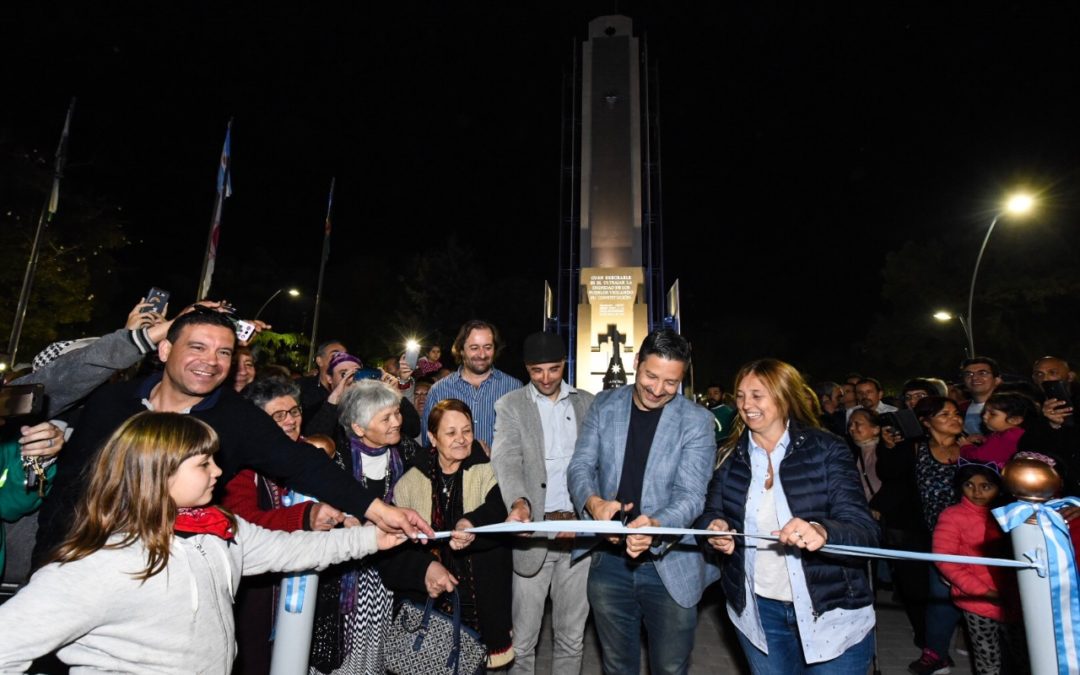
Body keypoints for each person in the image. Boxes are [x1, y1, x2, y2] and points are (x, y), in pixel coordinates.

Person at [0, 412, 404, 672]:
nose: (218, 471)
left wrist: (372, 538)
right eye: (204, 463)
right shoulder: (101, 563)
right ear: (158, 472)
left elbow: (291, 550)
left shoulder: (217, 530)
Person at [34, 308, 431, 565]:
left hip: (172, 578)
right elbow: (68, 481)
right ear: (165, 348)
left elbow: (302, 465)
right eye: (198, 347)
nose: (211, 362)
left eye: (225, 352)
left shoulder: (235, 418)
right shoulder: (111, 401)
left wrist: (379, 510)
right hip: (76, 565)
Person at [699, 358, 879, 674]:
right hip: (758, 611)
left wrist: (822, 530)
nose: (745, 405)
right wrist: (716, 529)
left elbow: (864, 529)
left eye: (757, 395)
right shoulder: (729, 456)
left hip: (830, 609)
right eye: (740, 396)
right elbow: (711, 514)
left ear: (784, 396)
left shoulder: (827, 449)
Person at [567, 328, 716, 675]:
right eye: (651, 376)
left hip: (671, 565)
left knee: (670, 667)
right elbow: (581, 465)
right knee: (617, 666)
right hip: (609, 563)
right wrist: (594, 504)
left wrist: (655, 525)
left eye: (670, 382)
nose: (658, 389)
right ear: (636, 363)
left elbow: (691, 495)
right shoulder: (605, 404)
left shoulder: (696, 421)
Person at [220, 377, 347, 675]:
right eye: (279, 415)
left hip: (307, 583)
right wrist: (304, 517)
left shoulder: (308, 455)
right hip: (257, 589)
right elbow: (243, 525)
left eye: (295, 411)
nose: (291, 421)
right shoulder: (241, 464)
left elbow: (342, 495)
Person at [383, 399, 515, 670]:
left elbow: (497, 509)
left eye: (467, 431)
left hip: (479, 602)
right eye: (451, 432)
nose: (461, 439)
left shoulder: (488, 471)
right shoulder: (411, 482)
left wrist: (471, 523)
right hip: (430, 602)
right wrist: (423, 570)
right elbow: (395, 551)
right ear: (432, 437)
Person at [491, 332, 595, 675]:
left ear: (565, 364)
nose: (546, 378)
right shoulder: (511, 405)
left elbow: (598, 463)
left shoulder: (588, 403)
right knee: (522, 641)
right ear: (526, 368)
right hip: (533, 535)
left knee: (571, 637)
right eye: (537, 371)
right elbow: (506, 460)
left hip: (577, 536)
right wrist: (519, 504)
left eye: (553, 369)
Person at [305, 379, 420, 674]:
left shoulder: (408, 452)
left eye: (397, 413)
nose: (397, 422)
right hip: (343, 578)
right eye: (387, 417)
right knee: (339, 657)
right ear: (358, 427)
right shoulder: (335, 458)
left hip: (389, 576)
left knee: (376, 657)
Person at [932, 461, 1028, 675]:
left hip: (1014, 600)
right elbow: (945, 560)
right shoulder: (953, 516)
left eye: (986, 486)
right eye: (969, 485)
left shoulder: (1012, 514)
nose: (976, 492)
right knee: (987, 659)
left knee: (1023, 655)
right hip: (978, 601)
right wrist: (983, 591)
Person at [902, 396, 966, 674]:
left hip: (970, 536)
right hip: (931, 536)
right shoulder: (915, 449)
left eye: (956, 413)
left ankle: (952, 647)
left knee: (963, 591)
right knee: (939, 592)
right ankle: (936, 652)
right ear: (926, 422)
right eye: (944, 414)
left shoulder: (972, 450)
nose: (954, 418)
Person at [421, 319, 522, 451]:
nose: (482, 354)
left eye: (488, 347)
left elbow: (524, 442)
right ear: (461, 350)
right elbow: (428, 443)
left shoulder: (514, 388)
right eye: (474, 348)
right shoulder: (439, 391)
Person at [961, 391, 1037, 469]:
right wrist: (985, 440)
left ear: (1015, 420)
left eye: (992, 414)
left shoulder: (1010, 437)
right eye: (985, 412)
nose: (985, 416)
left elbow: (979, 459)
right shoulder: (1009, 433)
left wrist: (965, 447)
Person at [959, 357, 1003, 437]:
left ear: (997, 380)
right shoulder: (959, 409)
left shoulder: (1008, 406)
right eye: (969, 374)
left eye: (982, 373)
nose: (974, 378)